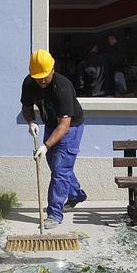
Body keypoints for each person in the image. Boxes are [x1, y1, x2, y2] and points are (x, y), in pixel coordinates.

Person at [20, 49, 87, 229]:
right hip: (51, 124)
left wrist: (46, 145)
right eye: (37, 77)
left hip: (70, 127)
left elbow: (64, 125)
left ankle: (54, 214)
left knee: (60, 169)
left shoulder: (63, 86)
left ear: (52, 69)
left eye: (45, 76)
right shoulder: (29, 83)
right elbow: (26, 108)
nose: (42, 81)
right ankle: (75, 194)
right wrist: (31, 121)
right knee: (55, 164)